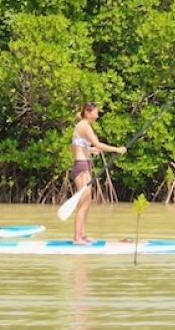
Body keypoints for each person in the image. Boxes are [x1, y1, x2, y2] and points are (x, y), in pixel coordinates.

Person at [72, 103, 126, 245]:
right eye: (95, 113)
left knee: (87, 202)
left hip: (84, 165)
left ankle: (82, 235)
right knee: (84, 203)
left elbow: (79, 147)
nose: (97, 115)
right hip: (81, 167)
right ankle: (77, 238)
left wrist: (90, 151)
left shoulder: (81, 126)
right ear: (88, 113)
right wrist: (117, 149)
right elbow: (98, 144)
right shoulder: (84, 126)